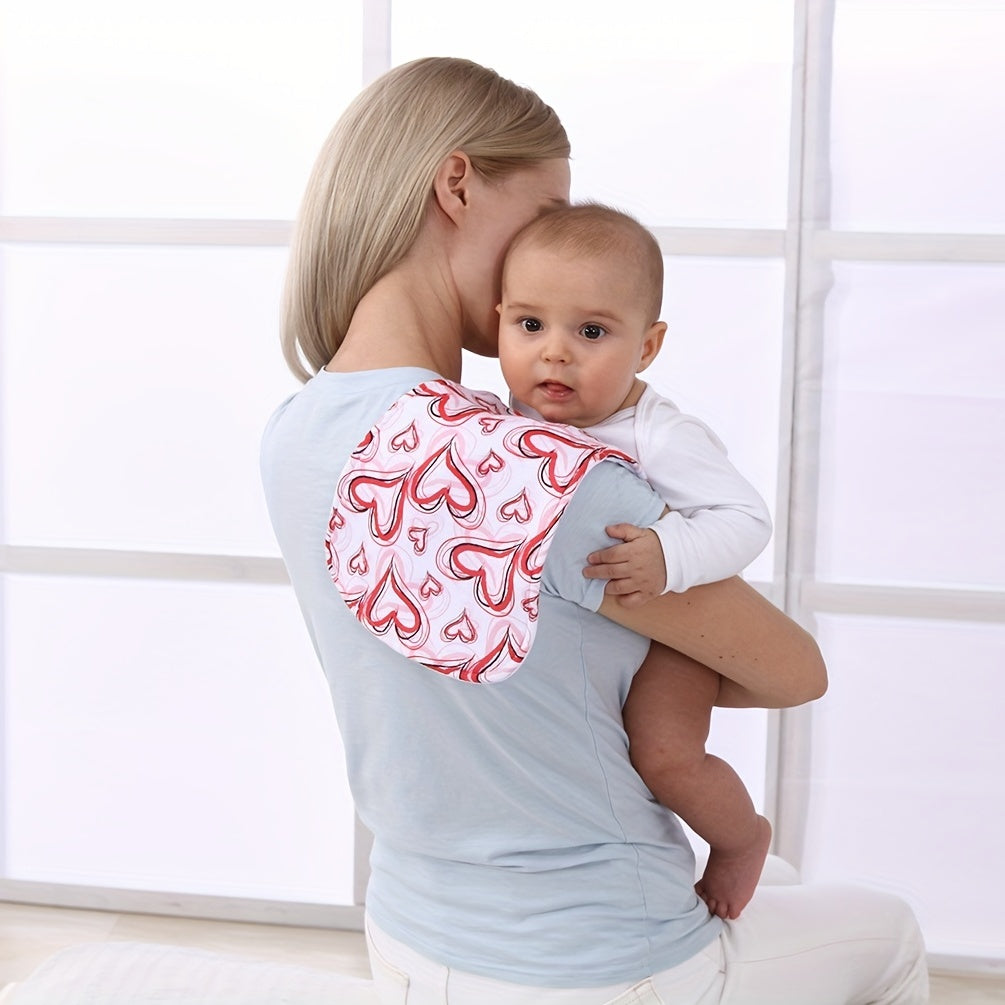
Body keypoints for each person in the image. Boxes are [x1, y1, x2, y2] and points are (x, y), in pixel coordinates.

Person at [261, 56, 929, 1004]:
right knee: (888, 929)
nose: (556, 246)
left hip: (408, 933)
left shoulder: (293, 431)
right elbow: (793, 670)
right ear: (457, 185)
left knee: (776, 881)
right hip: (599, 958)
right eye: (545, 213)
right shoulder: (544, 470)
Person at [497, 202, 772, 920]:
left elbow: (746, 519)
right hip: (581, 635)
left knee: (663, 756)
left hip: (670, 634)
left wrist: (667, 553)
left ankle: (740, 838)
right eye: (530, 324)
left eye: (590, 332)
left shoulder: (659, 435)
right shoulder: (507, 417)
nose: (555, 353)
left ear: (647, 346)